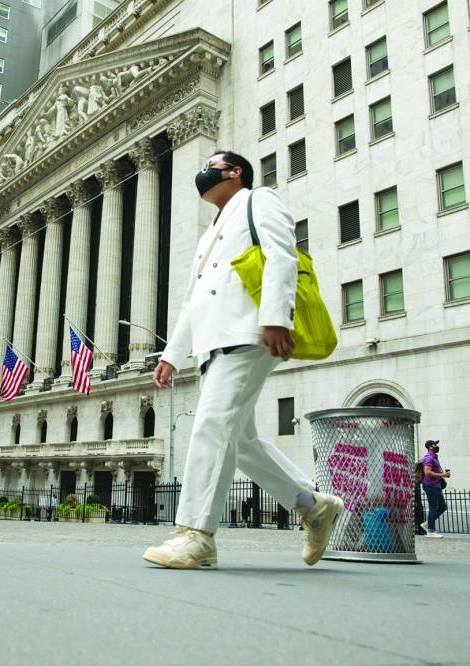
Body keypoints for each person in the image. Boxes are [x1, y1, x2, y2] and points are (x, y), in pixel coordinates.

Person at [142, 150, 344, 569]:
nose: (203, 173)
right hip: (213, 343)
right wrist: (173, 355)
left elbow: (281, 255)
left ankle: (196, 535)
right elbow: (192, 300)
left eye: (211, 166)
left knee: (212, 426)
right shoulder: (208, 233)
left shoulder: (258, 199)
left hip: (248, 333)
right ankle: (312, 505)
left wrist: (275, 318)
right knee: (241, 441)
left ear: (235, 172)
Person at [421, 440, 450, 538]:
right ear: (430, 447)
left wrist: (444, 475)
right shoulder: (429, 458)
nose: (436, 446)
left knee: (442, 507)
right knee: (433, 507)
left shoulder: (434, 457)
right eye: (435, 444)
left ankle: (427, 524)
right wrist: (442, 474)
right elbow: (427, 472)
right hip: (430, 485)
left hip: (436, 485)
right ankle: (431, 531)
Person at [413, 461, 427, 535]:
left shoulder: (417, 467)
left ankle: (418, 528)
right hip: (416, 488)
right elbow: (420, 479)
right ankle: (420, 528)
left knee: (417, 507)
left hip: (415, 487)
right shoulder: (421, 469)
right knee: (419, 508)